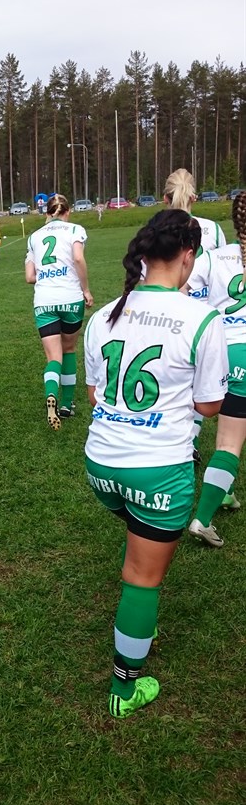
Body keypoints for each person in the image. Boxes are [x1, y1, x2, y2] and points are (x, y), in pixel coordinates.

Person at [84, 209, 228, 718]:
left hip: (100, 465)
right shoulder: (201, 319)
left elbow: (95, 392)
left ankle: (139, 623)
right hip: (158, 470)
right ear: (188, 255)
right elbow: (209, 406)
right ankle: (125, 687)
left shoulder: (105, 314)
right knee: (142, 578)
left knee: (139, 543)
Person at [185, 191, 246, 547]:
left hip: (222, 352)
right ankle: (203, 519)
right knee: (231, 442)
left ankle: (224, 493)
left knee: (226, 439)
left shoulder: (212, 257)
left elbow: (181, 291)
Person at [163, 168, 227, 462]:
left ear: (165, 198)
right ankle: (190, 441)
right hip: (206, 317)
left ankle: (177, 440)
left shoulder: (157, 229)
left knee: (173, 381)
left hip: (169, 313)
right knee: (200, 383)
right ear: (194, 197)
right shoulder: (212, 229)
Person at [25, 194, 93, 428]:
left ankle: (51, 394)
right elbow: (78, 258)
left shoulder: (34, 237)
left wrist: (47, 275)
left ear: (47, 213)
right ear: (68, 211)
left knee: (54, 357)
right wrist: (86, 289)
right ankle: (66, 404)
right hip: (70, 298)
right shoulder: (75, 230)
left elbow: (29, 276)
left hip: (44, 301)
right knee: (69, 349)